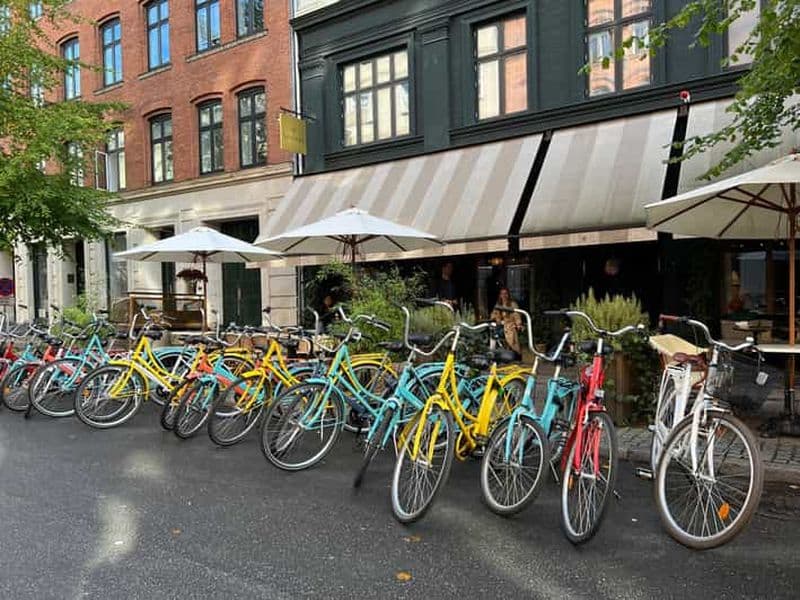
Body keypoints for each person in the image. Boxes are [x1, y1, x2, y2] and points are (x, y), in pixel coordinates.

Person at [491, 287, 523, 356]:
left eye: (505, 294)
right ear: (500, 295)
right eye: (502, 294)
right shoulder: (498, 305)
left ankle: (516, 353)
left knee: (510, 334)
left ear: (508, 295)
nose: (504, 295)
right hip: (500, 325)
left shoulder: (513, 304)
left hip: (509, 325)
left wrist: (518, 324)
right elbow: (493, 314)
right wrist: (496, 317)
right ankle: (492, 352)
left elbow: (517, 315)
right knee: (492, 333)